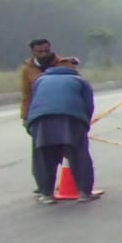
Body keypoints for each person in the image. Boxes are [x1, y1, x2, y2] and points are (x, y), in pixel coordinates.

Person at [26, 59, 103, 204]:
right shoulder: (80, 81)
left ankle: (46, 194)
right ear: (72, 68)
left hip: (40, 120)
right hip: (71, 119)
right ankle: (84, 193)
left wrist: (31, 127)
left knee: (43, 158)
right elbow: (88, 106)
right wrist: (84, 126)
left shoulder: (40, 81)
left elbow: (32, 102)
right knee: (78, 156)